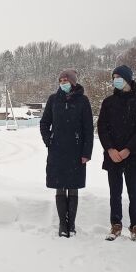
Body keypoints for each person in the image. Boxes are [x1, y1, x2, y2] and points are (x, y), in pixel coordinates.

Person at [98, 65, 136, 242]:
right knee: (115, 192)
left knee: (134, 193)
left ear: (128, 79)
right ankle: (115, 224)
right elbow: (102, 128)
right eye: (114, 77)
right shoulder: (108, 102)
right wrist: (110, 149)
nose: (116, 80)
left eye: (119, 77)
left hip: (133, 155)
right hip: (113, 155)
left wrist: (128, 149)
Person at [40, 69, 93, 238]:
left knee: (73, 187)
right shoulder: (53, 100)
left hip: (76, 151)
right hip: (57, 150)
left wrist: (86, 152)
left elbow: (88, 129)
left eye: (66, 80)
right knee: (60, 186)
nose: (63, 83)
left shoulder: (83, 101)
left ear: (73, 82)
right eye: (60, 80)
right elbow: (44, 123)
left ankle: (72, 224)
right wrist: (49, 140)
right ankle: (63, 223)